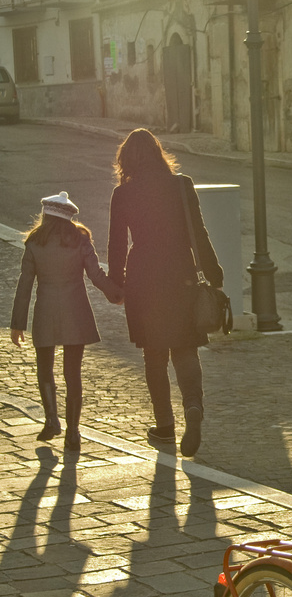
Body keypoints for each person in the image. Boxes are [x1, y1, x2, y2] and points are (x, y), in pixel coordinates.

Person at [107, 128, 223, 458]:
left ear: (126, 160)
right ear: (160, 154)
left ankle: (165, 426)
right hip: (181, 274)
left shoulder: (123, 194)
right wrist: (213, 273)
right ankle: (194, 407)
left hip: (143, 278)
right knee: (185, 348)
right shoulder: (181, 186)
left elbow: (116, 244)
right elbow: (197, 233)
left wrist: (117, 283)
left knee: (154, 354)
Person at [10, 191, 123, 451]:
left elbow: (25, 284)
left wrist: (18, 323)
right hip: (77, 311)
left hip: (45, 311)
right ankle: (73, 431)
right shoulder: (80, 240)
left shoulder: (34, 242)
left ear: (46, 215)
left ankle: (51, 419)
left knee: (44, 368)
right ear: (69, 216)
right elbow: (96, 275)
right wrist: (116, 294)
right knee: (73, 373)